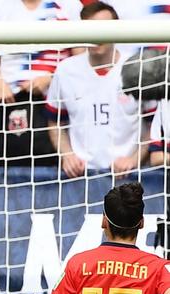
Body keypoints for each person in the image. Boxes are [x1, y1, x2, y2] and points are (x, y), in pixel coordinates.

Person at [0, 0, 82, 168]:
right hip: (11, 105)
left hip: (54, 108)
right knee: (8, 173)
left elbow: (80, 61)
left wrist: (51, 78)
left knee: (52, 174)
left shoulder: (70, 5)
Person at [46, 2, 141, 179]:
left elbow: (152, 126)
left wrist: (134, 159)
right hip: (81, 179)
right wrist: (67, 155)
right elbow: (54, 122)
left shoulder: (137, 68)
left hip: (128, 178)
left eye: (102, 29)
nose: (96, 36)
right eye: (90, 30)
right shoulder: (66, 71)